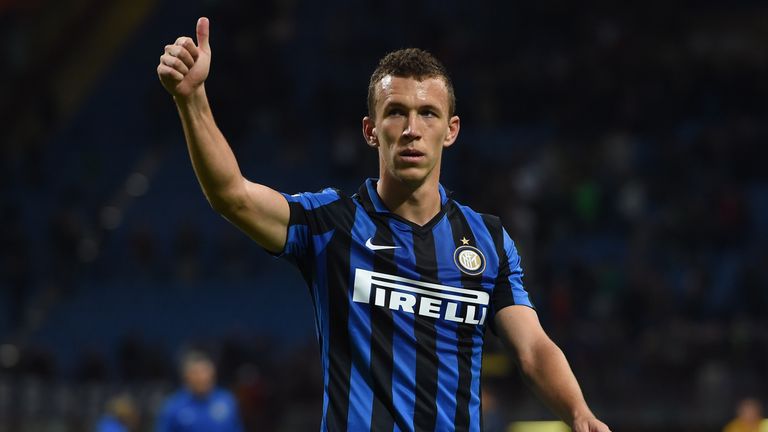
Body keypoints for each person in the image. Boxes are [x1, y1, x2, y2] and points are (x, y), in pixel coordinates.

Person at [157, 17, 611, 432]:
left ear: (450, 130)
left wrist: (579, 412)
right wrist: (192, 99)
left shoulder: (488, 241)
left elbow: (532, 350)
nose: (412, 128)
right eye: (396, 112)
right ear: (371, 129)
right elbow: (231, 196)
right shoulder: (329, 224)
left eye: (427, 113)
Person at [156, 350, 244, 432]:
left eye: (206, 372)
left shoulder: (227, 400)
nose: (202, 377)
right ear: (186, 377)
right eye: (196, 373)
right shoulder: (173, 406)